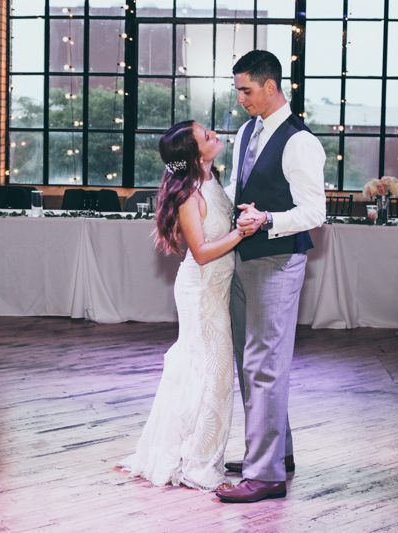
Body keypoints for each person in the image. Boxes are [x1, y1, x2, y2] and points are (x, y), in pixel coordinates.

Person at [216, 50, 326, 503]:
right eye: (238, 89)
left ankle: (266, 475)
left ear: (270, 86)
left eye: (245, 89)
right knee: (250, 359)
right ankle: (275, 453)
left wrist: (267, 221)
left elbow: (314, 212)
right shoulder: (247, 132)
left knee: (264, 364)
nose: (239, 98)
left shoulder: (300, 142)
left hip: (278, 261)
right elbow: (240, 190)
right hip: (243, 259)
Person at [119, 120, 245, 490]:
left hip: (215, 290)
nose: (214, 135)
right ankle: (196, 460)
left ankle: (201, 452)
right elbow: (202, 253)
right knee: (212, 371)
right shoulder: (190, 194)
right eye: (206, 136)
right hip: (201, 291)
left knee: (214, 372)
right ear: (193, 154)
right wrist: (242, 232)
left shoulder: (211, 181)